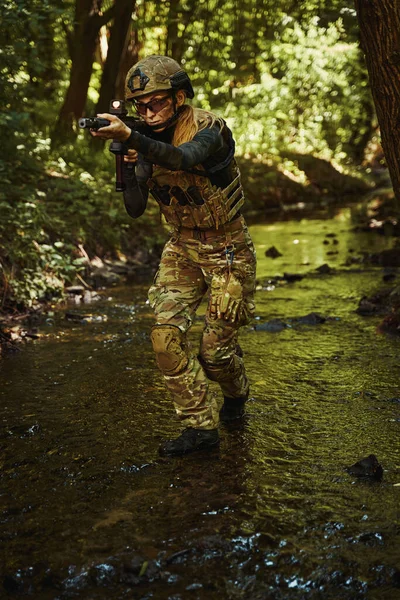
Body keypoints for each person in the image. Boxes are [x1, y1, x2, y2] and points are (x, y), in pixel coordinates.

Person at [91, 55, 256, 457]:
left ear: (180, 97)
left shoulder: (208, 128)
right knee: (164, 341)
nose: (148, 114)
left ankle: (237, 393)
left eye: (157, 103)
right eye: (140, 108)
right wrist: (130, 166)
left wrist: (134, 140)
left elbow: (183, 158)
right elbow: (134, 207)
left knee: (214, 356)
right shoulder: (144, 139)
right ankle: (200, 429)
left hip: (228, 250)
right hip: (182, 246)